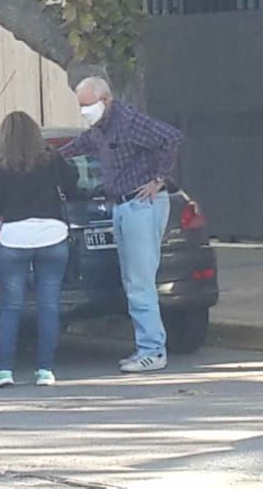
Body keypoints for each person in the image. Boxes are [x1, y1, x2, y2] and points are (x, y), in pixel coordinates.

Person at [60, 77, 182, 373]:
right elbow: (80, 145)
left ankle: (153, 349)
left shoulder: (128, 121)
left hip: (142, 204)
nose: (86, 110)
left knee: (140, 281)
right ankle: (145, 346)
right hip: (122, 205)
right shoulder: (100, 129)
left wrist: (158, 179)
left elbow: (171, 138)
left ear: (107, 100)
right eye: (82, 106)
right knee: (132, 280)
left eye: (90, 104)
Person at [0, 112, 79, 388]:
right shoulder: (51, 158)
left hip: (14, 236)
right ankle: (45, 370)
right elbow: (72, 187)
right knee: (48, 305)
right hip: (52, 234)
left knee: (11, 306)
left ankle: (4, 369)